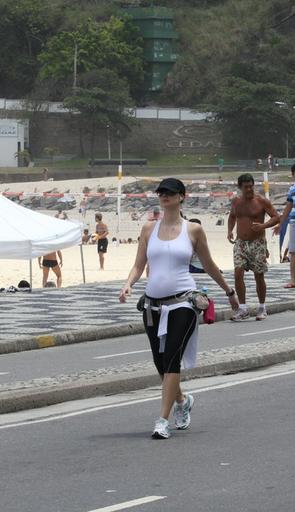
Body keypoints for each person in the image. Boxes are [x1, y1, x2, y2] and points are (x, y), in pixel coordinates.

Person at [119, 177, 239, 440]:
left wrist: (229, 291)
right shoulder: (149, 228)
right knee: (161, 363)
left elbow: (208, 264)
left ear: (182, 196)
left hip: (184, 302)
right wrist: (128, 285)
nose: (164, 196)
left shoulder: (193, 230)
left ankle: (162, 420)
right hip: (152, 303)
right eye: (161, 192)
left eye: (170, 193)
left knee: (173, 358)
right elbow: (139, 265)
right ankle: (182, 400)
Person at [227, 174, 280, 320]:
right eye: (246, 187)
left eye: (251, 186)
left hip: (258, 243)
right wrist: (229, 230)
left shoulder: (261, 201)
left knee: (259, 275)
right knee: (238, 273)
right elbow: (232, 216)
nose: (249, 189)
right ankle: (242, 308)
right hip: (240, 243)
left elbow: (276, 217)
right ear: (240, 187)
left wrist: (263, 225)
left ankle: (262, 307)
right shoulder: (236, 201)